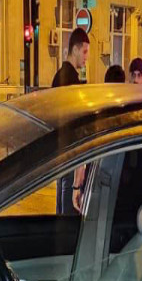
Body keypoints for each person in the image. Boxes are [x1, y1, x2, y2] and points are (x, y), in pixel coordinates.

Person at [52, 27, 89, 214]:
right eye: (85, 51)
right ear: (75, 49)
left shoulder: (58, 76)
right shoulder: (73, 82)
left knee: (60, 210)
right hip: (70, 156)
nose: (86, 57)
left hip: (59, 153)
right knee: (68, 213)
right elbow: (76, 126)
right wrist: (78, 179)